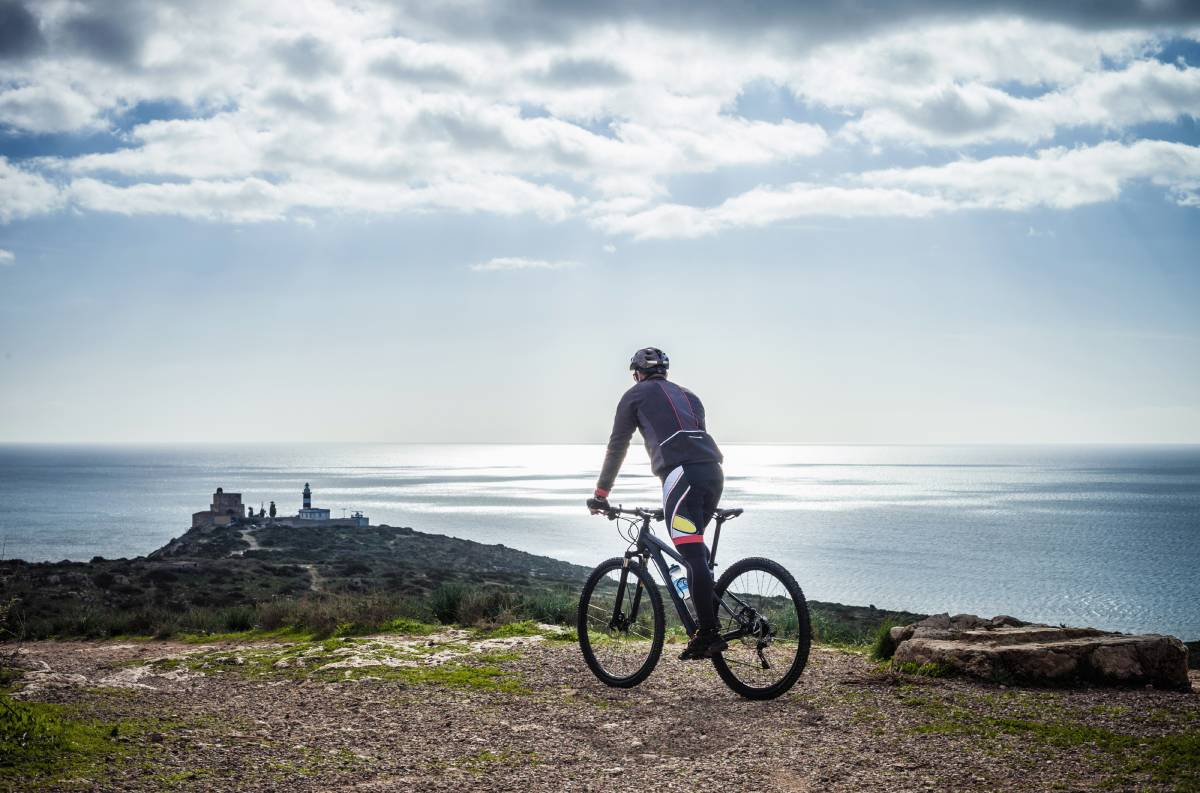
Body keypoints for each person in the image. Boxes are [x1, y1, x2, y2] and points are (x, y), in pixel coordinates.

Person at [590, 347, 727, 660]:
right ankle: (711, 614)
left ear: (637, 373)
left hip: (681, 476)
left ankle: (707, 633)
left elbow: (617, 446)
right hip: (713, 474)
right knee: (695, 550)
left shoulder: (634, 395)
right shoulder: (690, 396)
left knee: (690, 554)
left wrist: (601, 494)